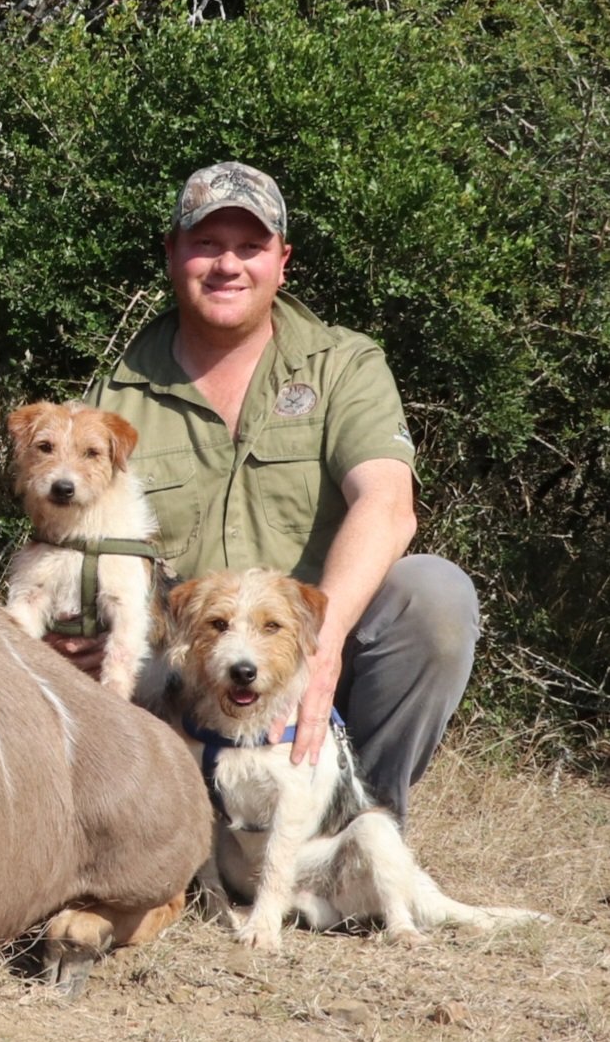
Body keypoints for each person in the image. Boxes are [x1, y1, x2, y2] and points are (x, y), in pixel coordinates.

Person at [64, 162, 471, 824]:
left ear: (281, 261)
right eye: (205, 244)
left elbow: (387, 506)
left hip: (309, 646)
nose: (227, 265)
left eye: (249, 247)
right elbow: (76, 547)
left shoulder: (343, 364)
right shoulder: (113, 399)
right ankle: (164, 830)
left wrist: (324, 641)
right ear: (171, 254)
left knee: (433, 598)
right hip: (183, 672)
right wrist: (76, 632)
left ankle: (360, 824)